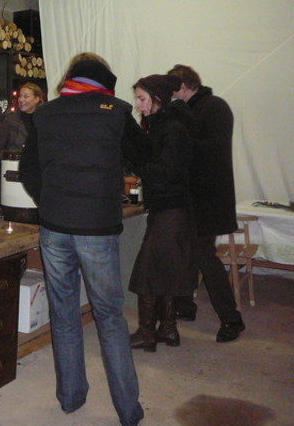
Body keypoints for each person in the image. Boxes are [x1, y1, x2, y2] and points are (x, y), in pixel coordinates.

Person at [19, 54, 150, 426]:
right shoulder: (116, 112)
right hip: (97, 227)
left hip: (54, 226)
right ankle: (128, 410)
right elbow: (146, 156)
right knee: (109, 317)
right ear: (104, 81)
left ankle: (70, 398)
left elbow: (28, 171)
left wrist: (50, 201)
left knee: (63, 315)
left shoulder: (45, 114)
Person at [168, 64, 245, 343]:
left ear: (183, 86)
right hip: (191, 196)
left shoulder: (214, 106)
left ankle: (232, 319)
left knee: (204, 256)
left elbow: (213, 147)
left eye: (172, 89)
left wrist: (179, 139)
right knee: (186, 252)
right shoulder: (189, 108)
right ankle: (185, 305)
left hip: (208, 198)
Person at [127, 74, 195, 353]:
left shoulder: (172, 128)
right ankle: (167, 328)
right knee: (164, 270)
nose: (138, 105)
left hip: (172, 208)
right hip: (169, 208)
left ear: (157, 99)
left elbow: (165, 172)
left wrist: (135, 162)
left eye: (142, 99)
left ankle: (147, 332)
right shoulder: (164, 124)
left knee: (147, 273)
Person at [0, 82, 45, 161]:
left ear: (36, 99)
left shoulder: (45, 121)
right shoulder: (10, 121)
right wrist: (12, 157)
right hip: (14, 167)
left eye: (26, 96)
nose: (21, 100)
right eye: (20, 96)